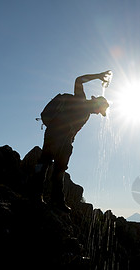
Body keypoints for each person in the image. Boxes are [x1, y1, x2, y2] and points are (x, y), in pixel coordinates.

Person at [33, 71, 111, 212]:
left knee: (54, 167)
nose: (98, 113)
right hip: (55, 135)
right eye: (100, 110)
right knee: (47, 164)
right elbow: (79, 80)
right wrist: (98, 76)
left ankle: (54, 200)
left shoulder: (86, 114)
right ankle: (39, 196)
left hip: (62, 139)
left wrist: (69, 142)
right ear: (96, 103)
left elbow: (74, 130)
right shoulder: (80, 100)